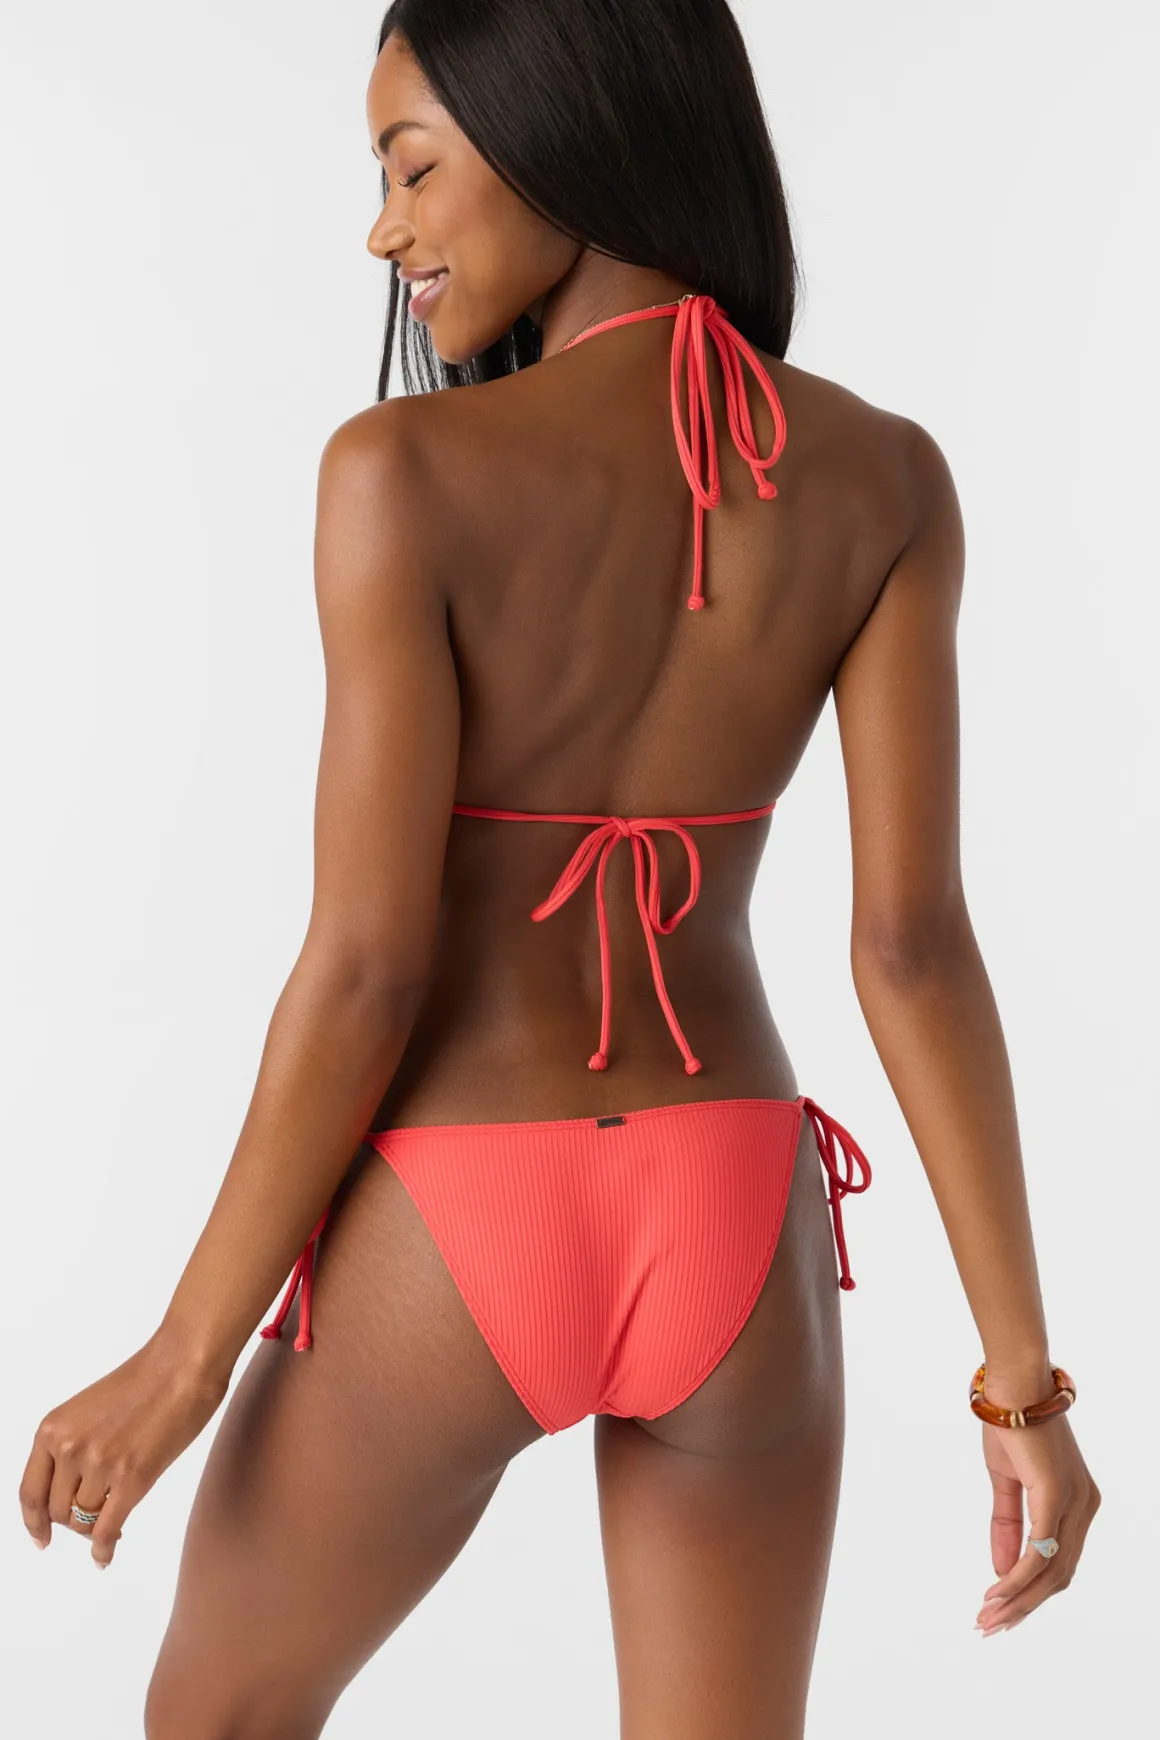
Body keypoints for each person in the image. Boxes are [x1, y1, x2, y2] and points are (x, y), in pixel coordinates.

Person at [19, 3, 1099, 1735]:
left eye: (413, 169)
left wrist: (182, 1358)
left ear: (562, 142)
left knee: (212, 1723)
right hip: (737, 1213)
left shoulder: (400, 474)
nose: (385, 231)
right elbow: (912, 947)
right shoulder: (888, 479)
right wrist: (1022, 1388)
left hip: (463, 1217)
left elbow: (366, 968)